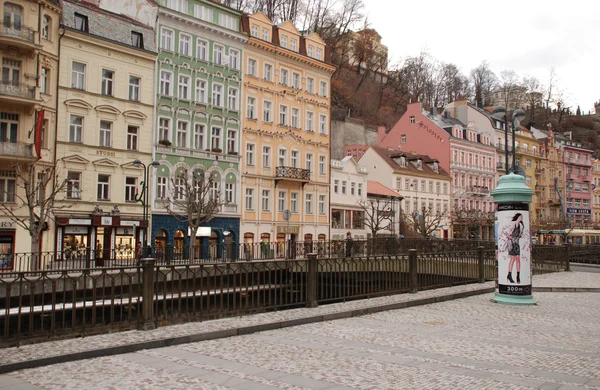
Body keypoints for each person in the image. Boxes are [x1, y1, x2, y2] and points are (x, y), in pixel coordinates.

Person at [506, 213, 524, 284]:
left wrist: (519, 238)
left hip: (516, 243)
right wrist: (511, 238)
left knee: (518, 259)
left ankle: (518, 275)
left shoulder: (521, 225)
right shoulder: (512, 224)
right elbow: (505, 232)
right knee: (513, 259)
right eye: (520, 217)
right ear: (518, 217)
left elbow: (521, 234)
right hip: (511, 243)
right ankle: (509, 275)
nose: (521, 218)